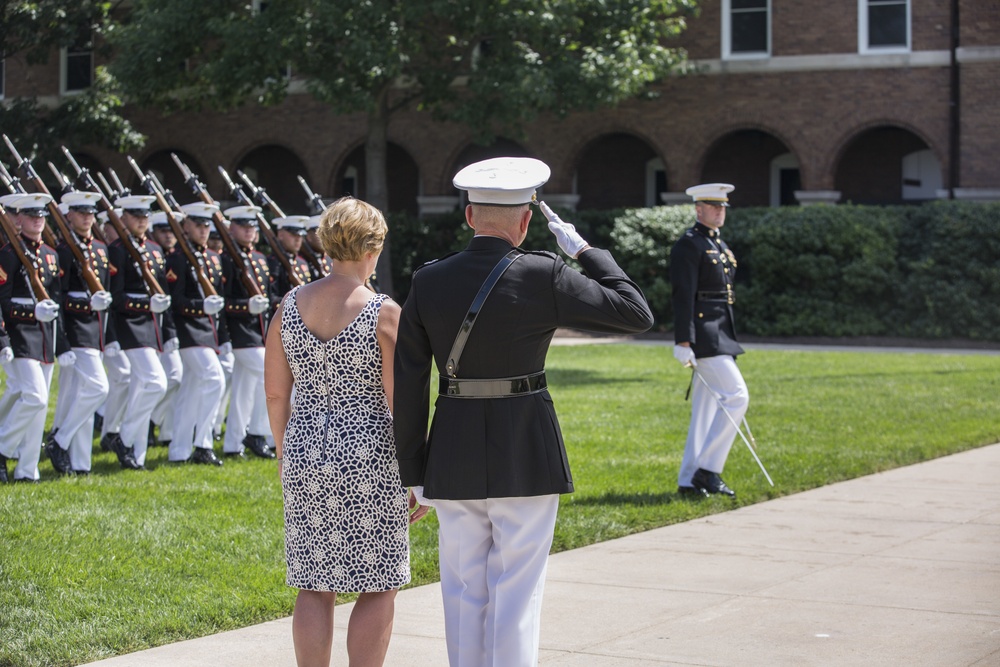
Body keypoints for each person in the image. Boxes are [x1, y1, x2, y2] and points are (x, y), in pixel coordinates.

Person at [393, 157, 654, 666]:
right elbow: (635, 312)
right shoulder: (544, 273)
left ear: (469, 216)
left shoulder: (429, 280)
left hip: (453, 450)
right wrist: (584, 250)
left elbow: (409, 384)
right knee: (518, 588)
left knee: (465, 586)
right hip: (525, 447)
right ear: (526, 220)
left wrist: (414, 470)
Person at [265, 196, 426, 667]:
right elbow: (403, 405)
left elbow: (277, 394)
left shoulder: (289, 304)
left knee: (314, 583)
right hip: (370, 453)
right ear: (373, 248)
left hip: (304, 447)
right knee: (379, 582)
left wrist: (283, 453)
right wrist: (417, 469)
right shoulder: (382, 311)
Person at [670, 183, 748, 498]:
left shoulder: (716, 244)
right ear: (698, 209)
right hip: (703, 335)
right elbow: (683, 295)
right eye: (714, 206)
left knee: (704, 410)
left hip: (720, 332)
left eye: (723, 207)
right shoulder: (689, 245)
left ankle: (689, 481)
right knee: (737, 396)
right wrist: (683, 340)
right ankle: (709, 470)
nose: (720, 211)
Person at [0, 192, 72, 483]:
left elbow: (56, 301)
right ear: (17, 219)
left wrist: (63, 344)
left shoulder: (50, 255)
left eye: (41, 215)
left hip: (45, 337)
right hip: (19, 336)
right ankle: (3, 448)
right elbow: (3, 300)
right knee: (35, 397)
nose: (37, 220)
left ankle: (27, 468)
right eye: (31, 216)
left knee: (40, 407)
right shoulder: (7, 253)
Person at [47, 191, 113, 475]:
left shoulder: (100, 248)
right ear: (68, 216)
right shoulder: (61, 250)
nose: (87, 217)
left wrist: (109, 337)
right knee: (99, 388)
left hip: (94, 329)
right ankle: (60, 440)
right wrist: (61, 341)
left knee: (78, 394)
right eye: (81, 212)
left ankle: (80, 462)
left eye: (90, 212)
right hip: (74, 329)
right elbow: (57, 297)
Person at [106, 195, 171, 470]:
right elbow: (115, 295)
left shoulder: (155, 249)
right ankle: (124, 437)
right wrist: (146, 304)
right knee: (156, 383)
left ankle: (135, 453)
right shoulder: (117, 250)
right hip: (129, 324)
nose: (142, 221)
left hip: (151, 326)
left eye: (145, 216)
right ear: (124, 219)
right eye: (135, 216)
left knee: (143, 387)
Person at [165, 202, 228, 466]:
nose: (203, 231)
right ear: (186, 226)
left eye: (206, 226)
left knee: (191, 391)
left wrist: (223, 337)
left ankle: (179, 450)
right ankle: (203, 442)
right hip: (188, 330)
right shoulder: (177, 258)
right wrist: (200, 306)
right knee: (215, 380)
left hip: (208, 331)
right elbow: (174, 299)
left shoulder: (213, 258)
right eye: (198, 226)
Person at [219, 205, 274, 459]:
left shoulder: (260, 258)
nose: (249, 231)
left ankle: (233, 443)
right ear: (231, 228)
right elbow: (222, 300)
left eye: (252, 227)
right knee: (269, 375)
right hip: (238, 331)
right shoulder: (225, 259)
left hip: (258, 330)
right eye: (243, 226)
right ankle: (257, 432)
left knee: (243, 388)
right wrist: (244, 306)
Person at [148, 211, 183, 449]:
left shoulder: (174, 258)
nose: (168, 236)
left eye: (171, 231)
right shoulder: (159, 258)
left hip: (170, 330)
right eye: (163, 231)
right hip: (146, 329)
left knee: (174, 379)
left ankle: (156, 422)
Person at [267, 215, 312, 312]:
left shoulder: (302, 262)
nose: (297, 239)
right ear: (280, 235)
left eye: (300, 235)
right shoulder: (273, 262)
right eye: (293, 235)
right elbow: (272, 297)